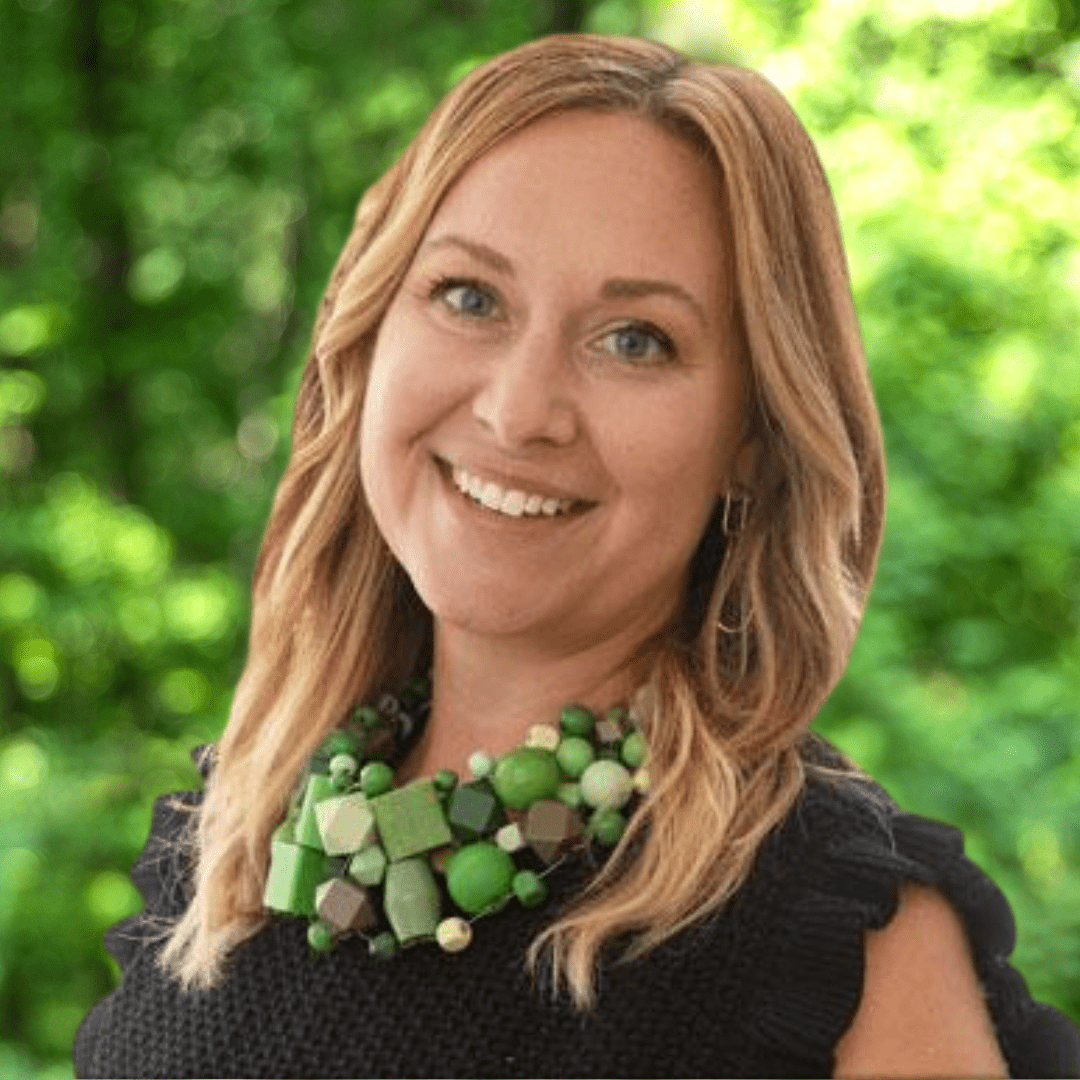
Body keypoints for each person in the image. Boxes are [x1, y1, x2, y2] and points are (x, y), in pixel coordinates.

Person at [74, 33, 1080, 1079]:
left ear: (752, 438)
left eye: (635, 339)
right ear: (370, 332)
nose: (519, 411)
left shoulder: (841, 941)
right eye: (469, 297)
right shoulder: (228, 845)